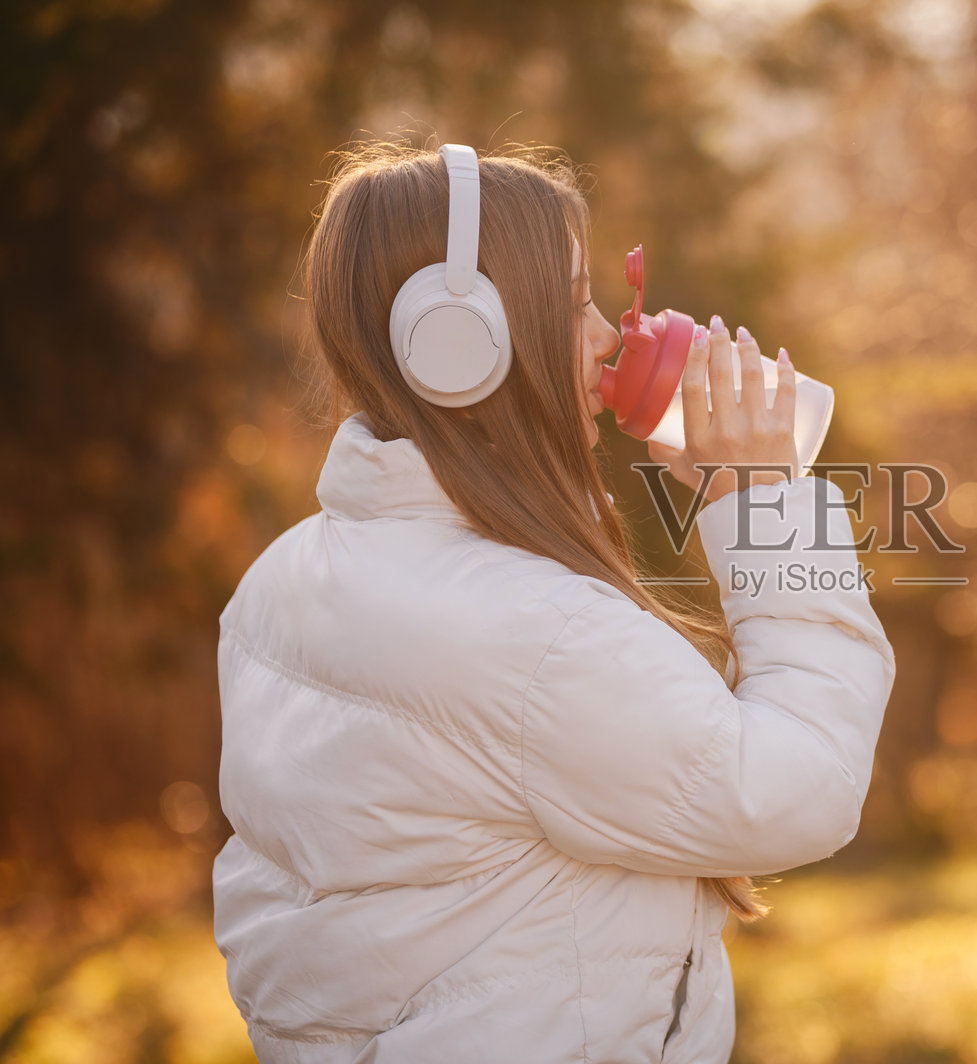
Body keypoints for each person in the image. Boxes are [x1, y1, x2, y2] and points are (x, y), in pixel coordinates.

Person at [210, 139, 895, 1063]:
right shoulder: (534, 634)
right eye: (575, 306)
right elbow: (796, 789)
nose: (611, 338)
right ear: (460, 347)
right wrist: (768, 511)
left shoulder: (284, 580)